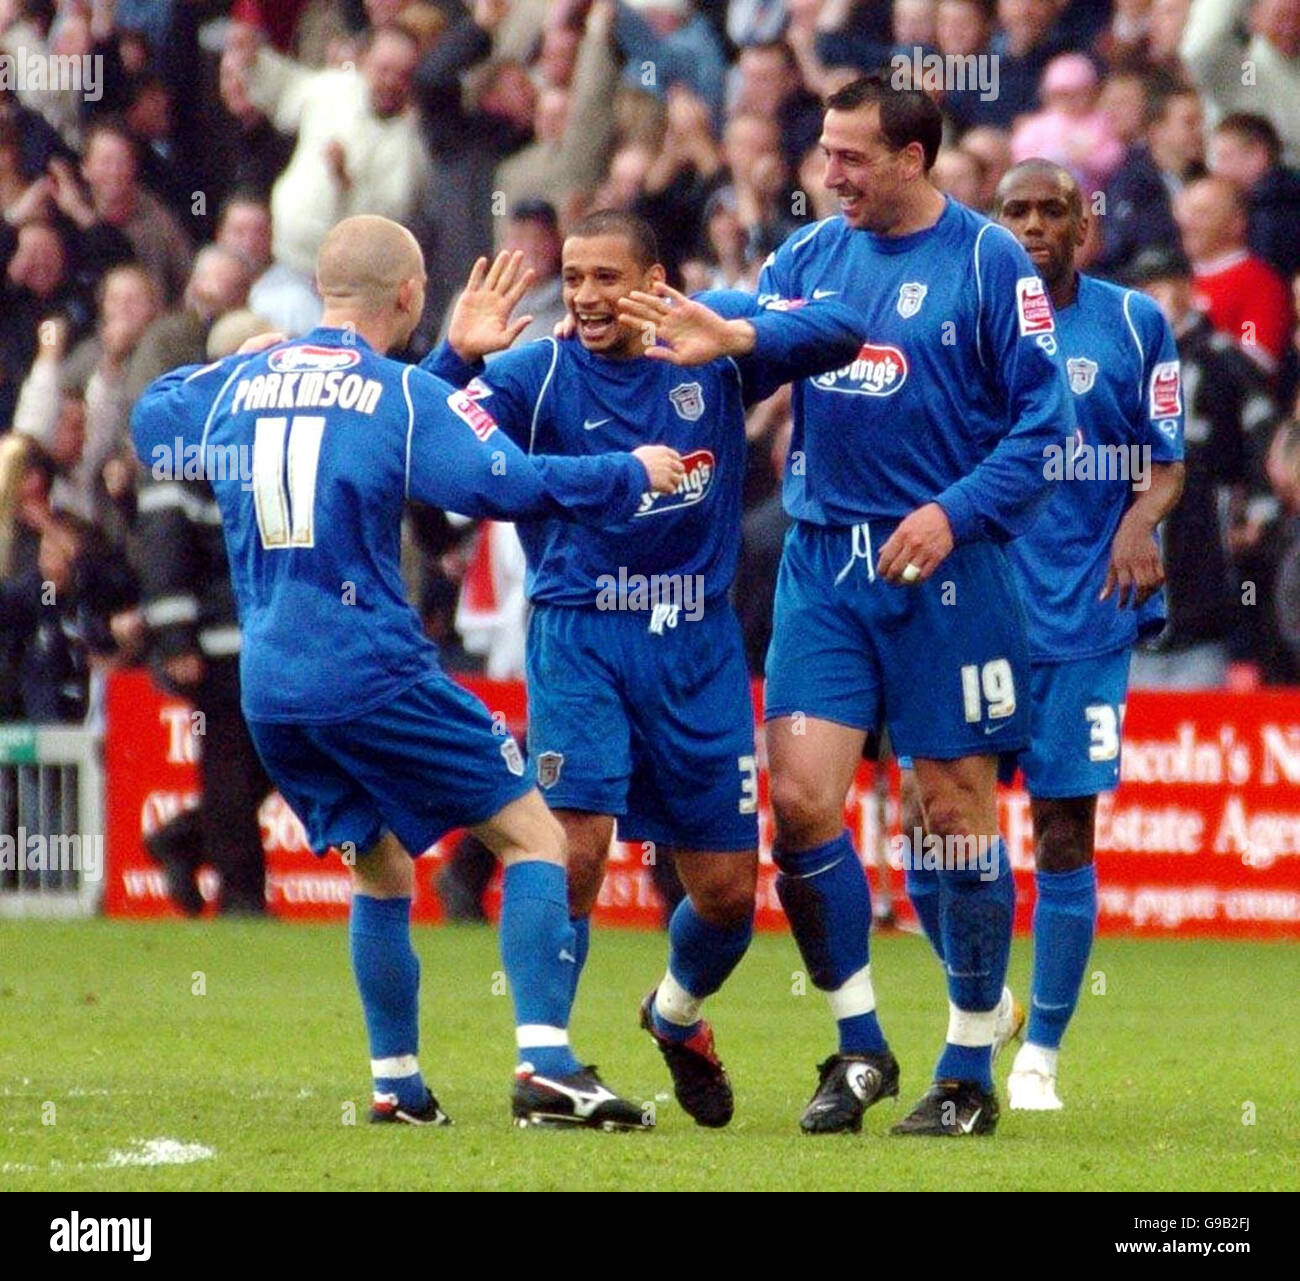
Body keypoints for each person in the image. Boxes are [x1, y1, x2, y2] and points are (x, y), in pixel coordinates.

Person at [130, 215, 685, 1130]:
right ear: (410, 295)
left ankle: (397, 1081)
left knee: (382, 869)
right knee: (535, 837)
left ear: (319, 291)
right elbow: (500, 484)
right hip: (371, 671)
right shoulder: (396, 393)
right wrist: (626, 472)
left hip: (269, 688)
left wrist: (235, 366)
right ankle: (545, 1062)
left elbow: (157, 426)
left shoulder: (243, 381)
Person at [425, 209, 865, 1127]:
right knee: (572, 847)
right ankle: (545, 1062)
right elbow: (418, 445)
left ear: (654, 279)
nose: (583, 297)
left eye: (604, 277)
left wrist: (738, 331)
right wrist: (455, 360)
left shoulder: (707, 347)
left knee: (728, 896)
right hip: (581, 635)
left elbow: (843, 325)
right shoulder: (534, 372)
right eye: (573, 277)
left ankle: (674, 1016)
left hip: (697, 647)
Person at [754, 75, 1072, 1137]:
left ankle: (968, 1064)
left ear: (913, 157)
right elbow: (737, 355)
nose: (828, 175)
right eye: (822, 154)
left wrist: (954, 510)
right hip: (825, 567)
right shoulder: (806, 257)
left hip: (948, 573)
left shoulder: (989, 264)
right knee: (799, 802)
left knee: (949, 819)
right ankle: (857, 1046)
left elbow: (1042, 428)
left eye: (850, 157)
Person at [978, 160, 1185, 1109]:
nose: (1031, 225)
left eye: (1050, 210)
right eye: (1014, 210)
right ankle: (985, 1001)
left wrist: (1141, 520)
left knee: (1065, 829)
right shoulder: (968, 315)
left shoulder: (1138, 324)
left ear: (1083, 228)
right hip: (976, 609)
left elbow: (1166, 462)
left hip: (1089, 610)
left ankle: (1040, 1057)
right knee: (933, 824)